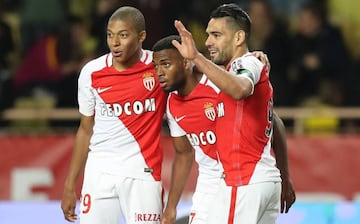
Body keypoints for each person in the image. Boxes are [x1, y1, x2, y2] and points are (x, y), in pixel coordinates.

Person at [172, 3, 295, 223]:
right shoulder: (232, 70)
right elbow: (272, 117)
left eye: (216, 35)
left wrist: (197, 58)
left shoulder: (247, 63)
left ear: (239, 38)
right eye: (208, 35)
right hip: (261, 181)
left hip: (244, 181)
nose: (208, 41)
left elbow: (240, 89)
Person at [61, 6, 167, 224]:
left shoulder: (160, 66)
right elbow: (85, 129)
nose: (114, 42)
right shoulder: (92, 72)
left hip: (143, 173)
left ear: (141, 37)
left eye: (123, 35)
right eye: (110, 35)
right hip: (100, 172)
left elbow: (196, 76)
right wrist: (70, 184)